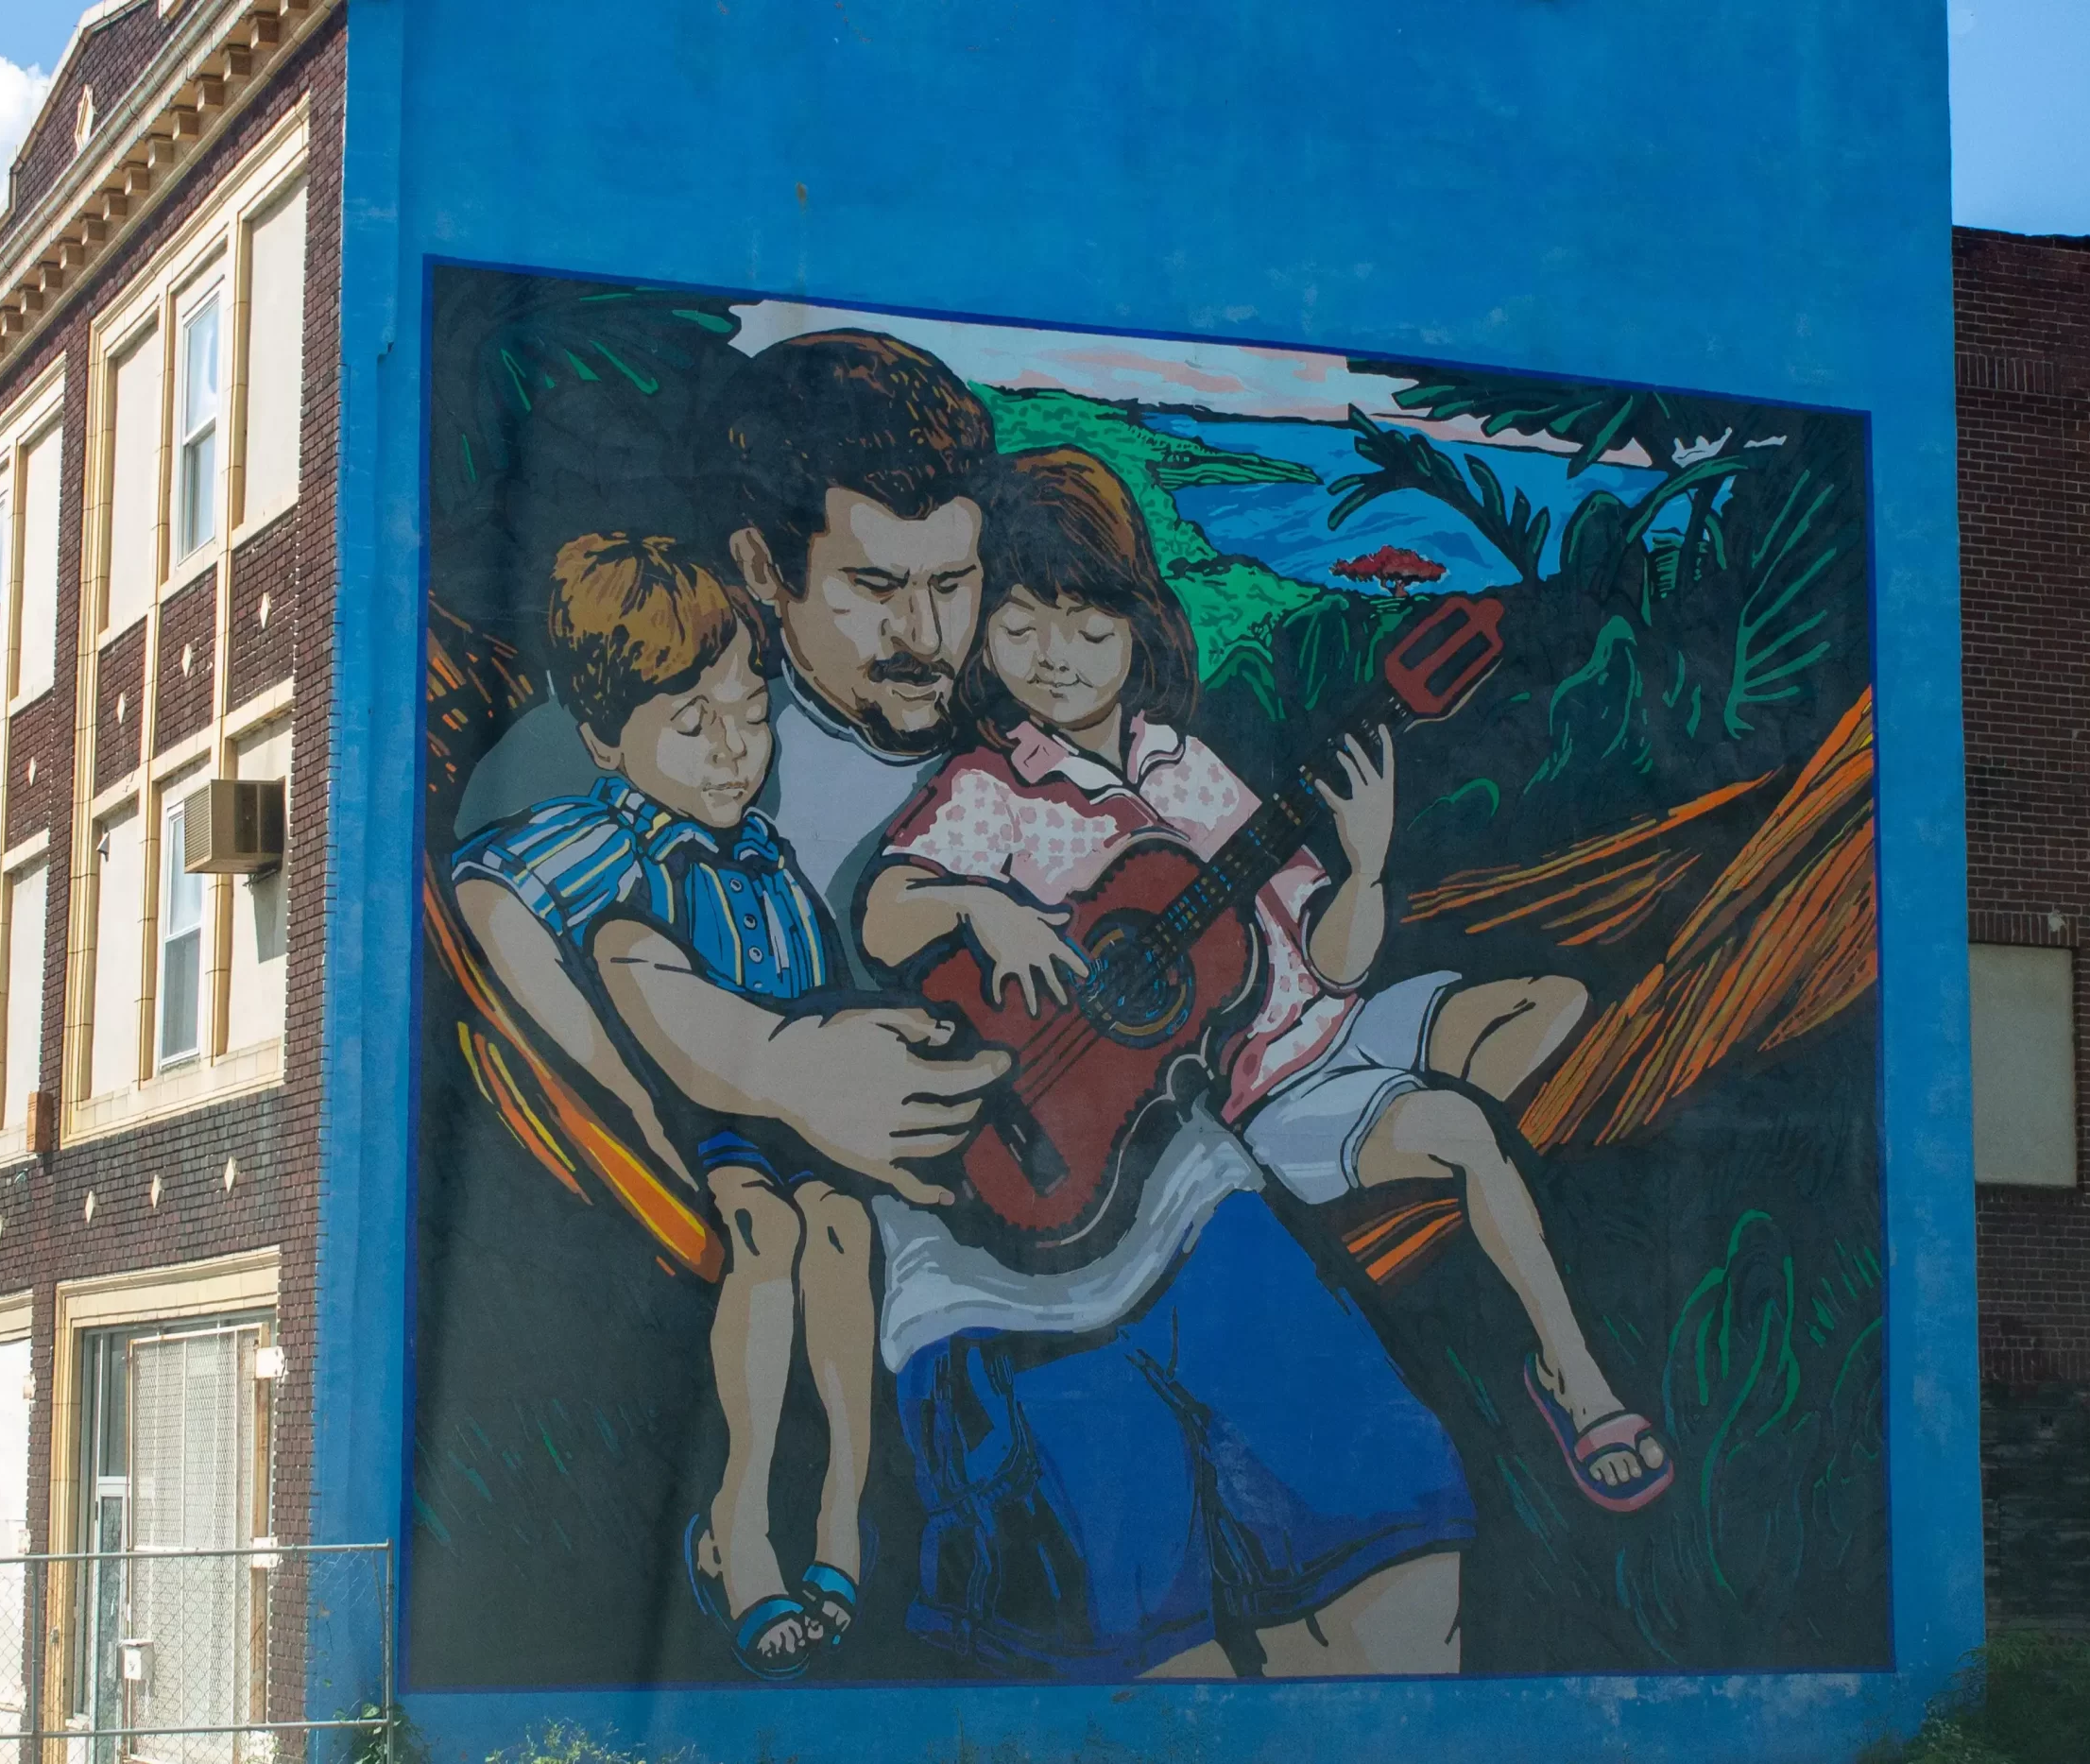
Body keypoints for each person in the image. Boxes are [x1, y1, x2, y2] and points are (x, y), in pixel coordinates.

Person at [679, 333, 1477, 1678]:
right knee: (1152, 1665)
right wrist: (776, 1063)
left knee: (1399, 1578)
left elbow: (1273, 942)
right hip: (988, 1280)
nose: (932, 635)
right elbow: (606, 950)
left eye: (955, 584)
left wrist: (1358, 862)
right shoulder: (705, 751)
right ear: (767, 573)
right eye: (878, 586)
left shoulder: (1058, 755)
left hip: (1196, 1204)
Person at [865, 448, 1673, 1521]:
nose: (1056, 658)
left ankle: (1441, 1197)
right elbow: (885, 913)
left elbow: (1331, 959)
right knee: (1466, 1127)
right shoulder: (993, 786)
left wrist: (1367, 861)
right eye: (1020, 629)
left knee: (1557, 1007)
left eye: (1089, 625)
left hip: (1329, 1022)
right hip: (1253, 1089)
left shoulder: (1185, 765)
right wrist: (982, 905)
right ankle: (1576, 1377)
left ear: (1138, 621)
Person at [450, 534, 878, 1678]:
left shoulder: (770, 858)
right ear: (605, 738)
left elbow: (823, 993)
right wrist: (627, 1091)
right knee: (768, 1230)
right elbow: (488, 889)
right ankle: (738, 1529)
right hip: (701, 1120)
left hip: (798, 1113)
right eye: (692, 724)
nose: (734, 751)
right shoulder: (614, 841)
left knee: (845, 1231)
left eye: (750, 713)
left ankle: (839, 1514)